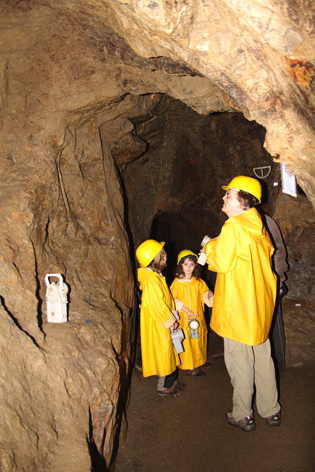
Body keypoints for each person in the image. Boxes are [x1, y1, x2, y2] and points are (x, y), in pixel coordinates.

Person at [203, 175, 281, 431]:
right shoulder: (257, 225)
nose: (223, 197)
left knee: (240, 361)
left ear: (243, 200)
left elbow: (220, 262)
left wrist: (208, 248)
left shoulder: (234, 226)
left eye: (229, 194)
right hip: (258, 306)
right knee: (262, 358)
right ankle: (271, 410)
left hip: (238, 308)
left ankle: (242, 414)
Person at [136, 239, 186, 397]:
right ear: (154, 260)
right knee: (164, 354)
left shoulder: (155, 277)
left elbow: (164, 300)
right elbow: (156, 305)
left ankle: (171, 382)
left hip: (161, 323)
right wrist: (171, 321)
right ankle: (164, 387)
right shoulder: (152, 281)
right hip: (159, 325)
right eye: (162, 255)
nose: (166, 257)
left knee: (169, 353)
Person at [170, 250, 213, 377]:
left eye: (192, 264)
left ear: (195, 266)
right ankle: (190, 366)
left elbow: (204, 294)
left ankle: (199, 361)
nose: (189, 267)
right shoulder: (177, 283)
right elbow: (172, 300)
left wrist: (209, 294)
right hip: (185, 319)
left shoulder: (198, 281)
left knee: (199, 339)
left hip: (198, 316)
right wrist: (186, 310)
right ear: (180, 266)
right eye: (186, 264)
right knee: (187, 341)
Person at [263, 214, 289, 371]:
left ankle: (278, 366)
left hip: (269, 282)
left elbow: (278, 252)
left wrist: (278, 279)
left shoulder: (264, 221)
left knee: (273, 325)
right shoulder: (236, 223)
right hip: (249, 286)